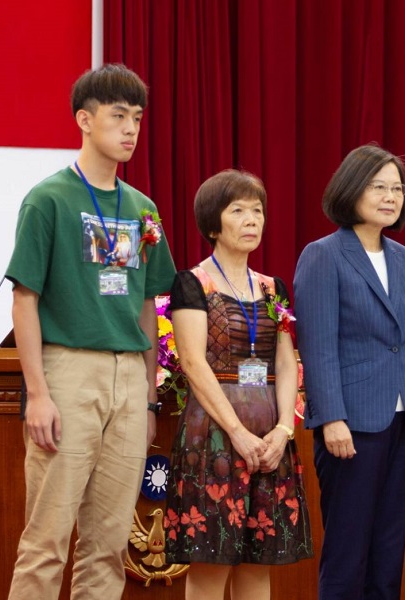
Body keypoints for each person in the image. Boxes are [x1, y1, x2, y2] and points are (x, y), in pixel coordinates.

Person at [5, 64, 176, 600]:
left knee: (107, 547)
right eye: (118, 116)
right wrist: (37, 393)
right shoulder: (49, 199)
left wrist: (148, 400)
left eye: (138, 119)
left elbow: (149, 305)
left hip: (129, 377)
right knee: (47, 542)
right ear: (84, 119)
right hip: (68, 372)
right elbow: (24, 299)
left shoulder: (142, 207)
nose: (130, 129)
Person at [294, 144, 405, 600]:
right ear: (351, 189)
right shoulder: (323, 254)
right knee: (347, 551)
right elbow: (317, 346)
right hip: (351, 423)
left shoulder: (402, 256)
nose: (390, 196)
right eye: (378, 186)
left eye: (397, 188)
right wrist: (331, 417)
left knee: (389, 549)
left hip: (403, 419)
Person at [163, 169, 313, 600]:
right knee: (212, 560)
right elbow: (192, 361)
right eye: (239, 211)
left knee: (257, 562)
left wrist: (284, 429)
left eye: (258, 211)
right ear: (214, 223)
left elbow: (286, 364)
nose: (252, 220)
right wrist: (237, 433)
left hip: (270, 434)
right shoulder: (193, 283)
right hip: (214, 435)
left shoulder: (273, 288)